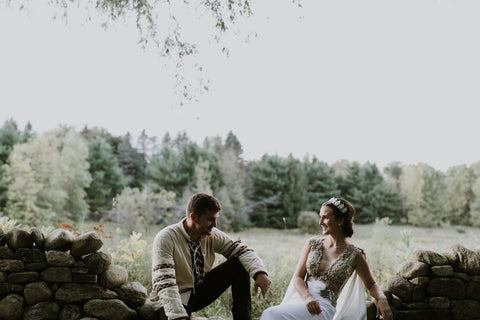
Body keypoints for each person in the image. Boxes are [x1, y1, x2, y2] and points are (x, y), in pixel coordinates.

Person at [261, 197, 393, 320]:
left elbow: (371, 284)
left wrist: (382, 298)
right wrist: (307, 298)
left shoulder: (356, 255)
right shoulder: (312, 243)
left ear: (340, 221)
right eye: (320, 217)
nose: (320, 222)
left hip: (322, 308)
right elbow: (297, 277)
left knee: (270, 314)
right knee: (271, 313)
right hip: (301, 298)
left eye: (325, 218)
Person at [151, 192, 271, 320]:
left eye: (216, 219)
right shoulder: (166, 238)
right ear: (194, 217)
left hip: (197, 293)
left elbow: (242, 251)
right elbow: (165, 282)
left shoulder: (212, 235)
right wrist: (178, 316)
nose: (215, 225)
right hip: (172, 298)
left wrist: (260, 273)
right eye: (210, 219)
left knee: (239, 264)